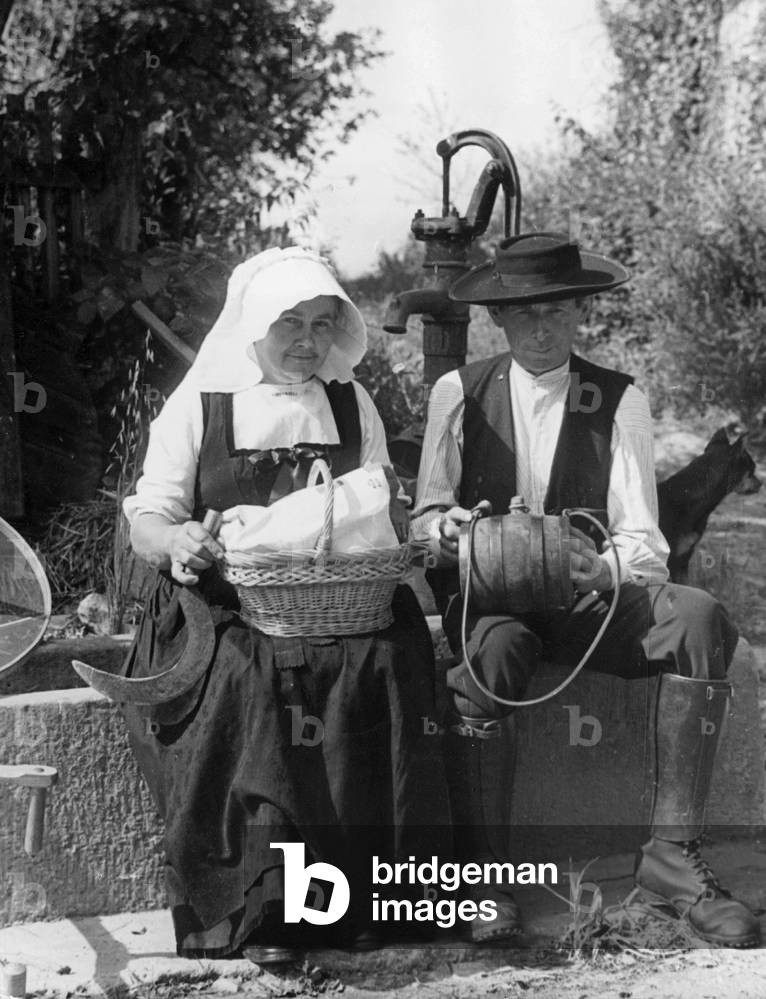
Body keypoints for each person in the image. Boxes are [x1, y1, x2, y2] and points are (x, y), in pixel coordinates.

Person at [411, 232, 760, 949]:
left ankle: (671, 856)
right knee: (491, 654)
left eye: (559, 311)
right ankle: (483, 875)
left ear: (581, 314)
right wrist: (445, 531)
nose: (542, 329)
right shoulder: (459, 393)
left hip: (589, 603)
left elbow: (645, 545)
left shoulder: (620, 399)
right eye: (526, 313)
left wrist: (600, 570)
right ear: (498, 319)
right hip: (494, 601)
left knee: (697, 618)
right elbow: (423, 520)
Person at [120, 246, 449, 963]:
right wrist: (178, 540)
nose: (307, 342)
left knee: (392, 652)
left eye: (322, 325)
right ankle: (266, 906)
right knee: (253, 674)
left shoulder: (347, 400)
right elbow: (146, 516)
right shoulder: (202, 403)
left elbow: (375, 505)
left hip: (338, 594)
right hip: (222, 601)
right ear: (253, 327)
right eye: (290, 324)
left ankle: (372, 900)